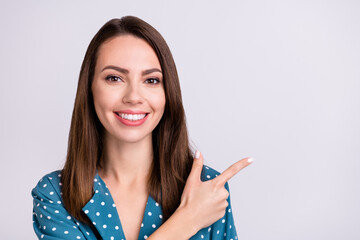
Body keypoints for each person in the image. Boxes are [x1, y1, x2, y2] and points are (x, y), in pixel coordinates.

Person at [31, 16, 253, 240]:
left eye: (151, 80)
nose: (134, 97)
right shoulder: (55, 195)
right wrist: (188, 220)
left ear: (168, 94)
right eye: (115, 78)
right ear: (89, 89)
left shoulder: (208, 190)